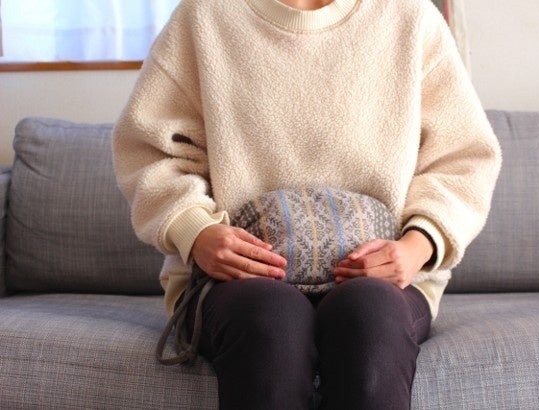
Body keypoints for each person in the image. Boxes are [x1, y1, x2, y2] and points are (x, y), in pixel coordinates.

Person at [113, 0, 502, 408]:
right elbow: (148, 149)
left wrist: (416, 247)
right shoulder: (204, 15)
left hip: (386, 282)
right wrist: (197, 232)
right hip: (232, 282)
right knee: (270, 321)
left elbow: (463, 158)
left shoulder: (410, 16)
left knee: (370, 316)